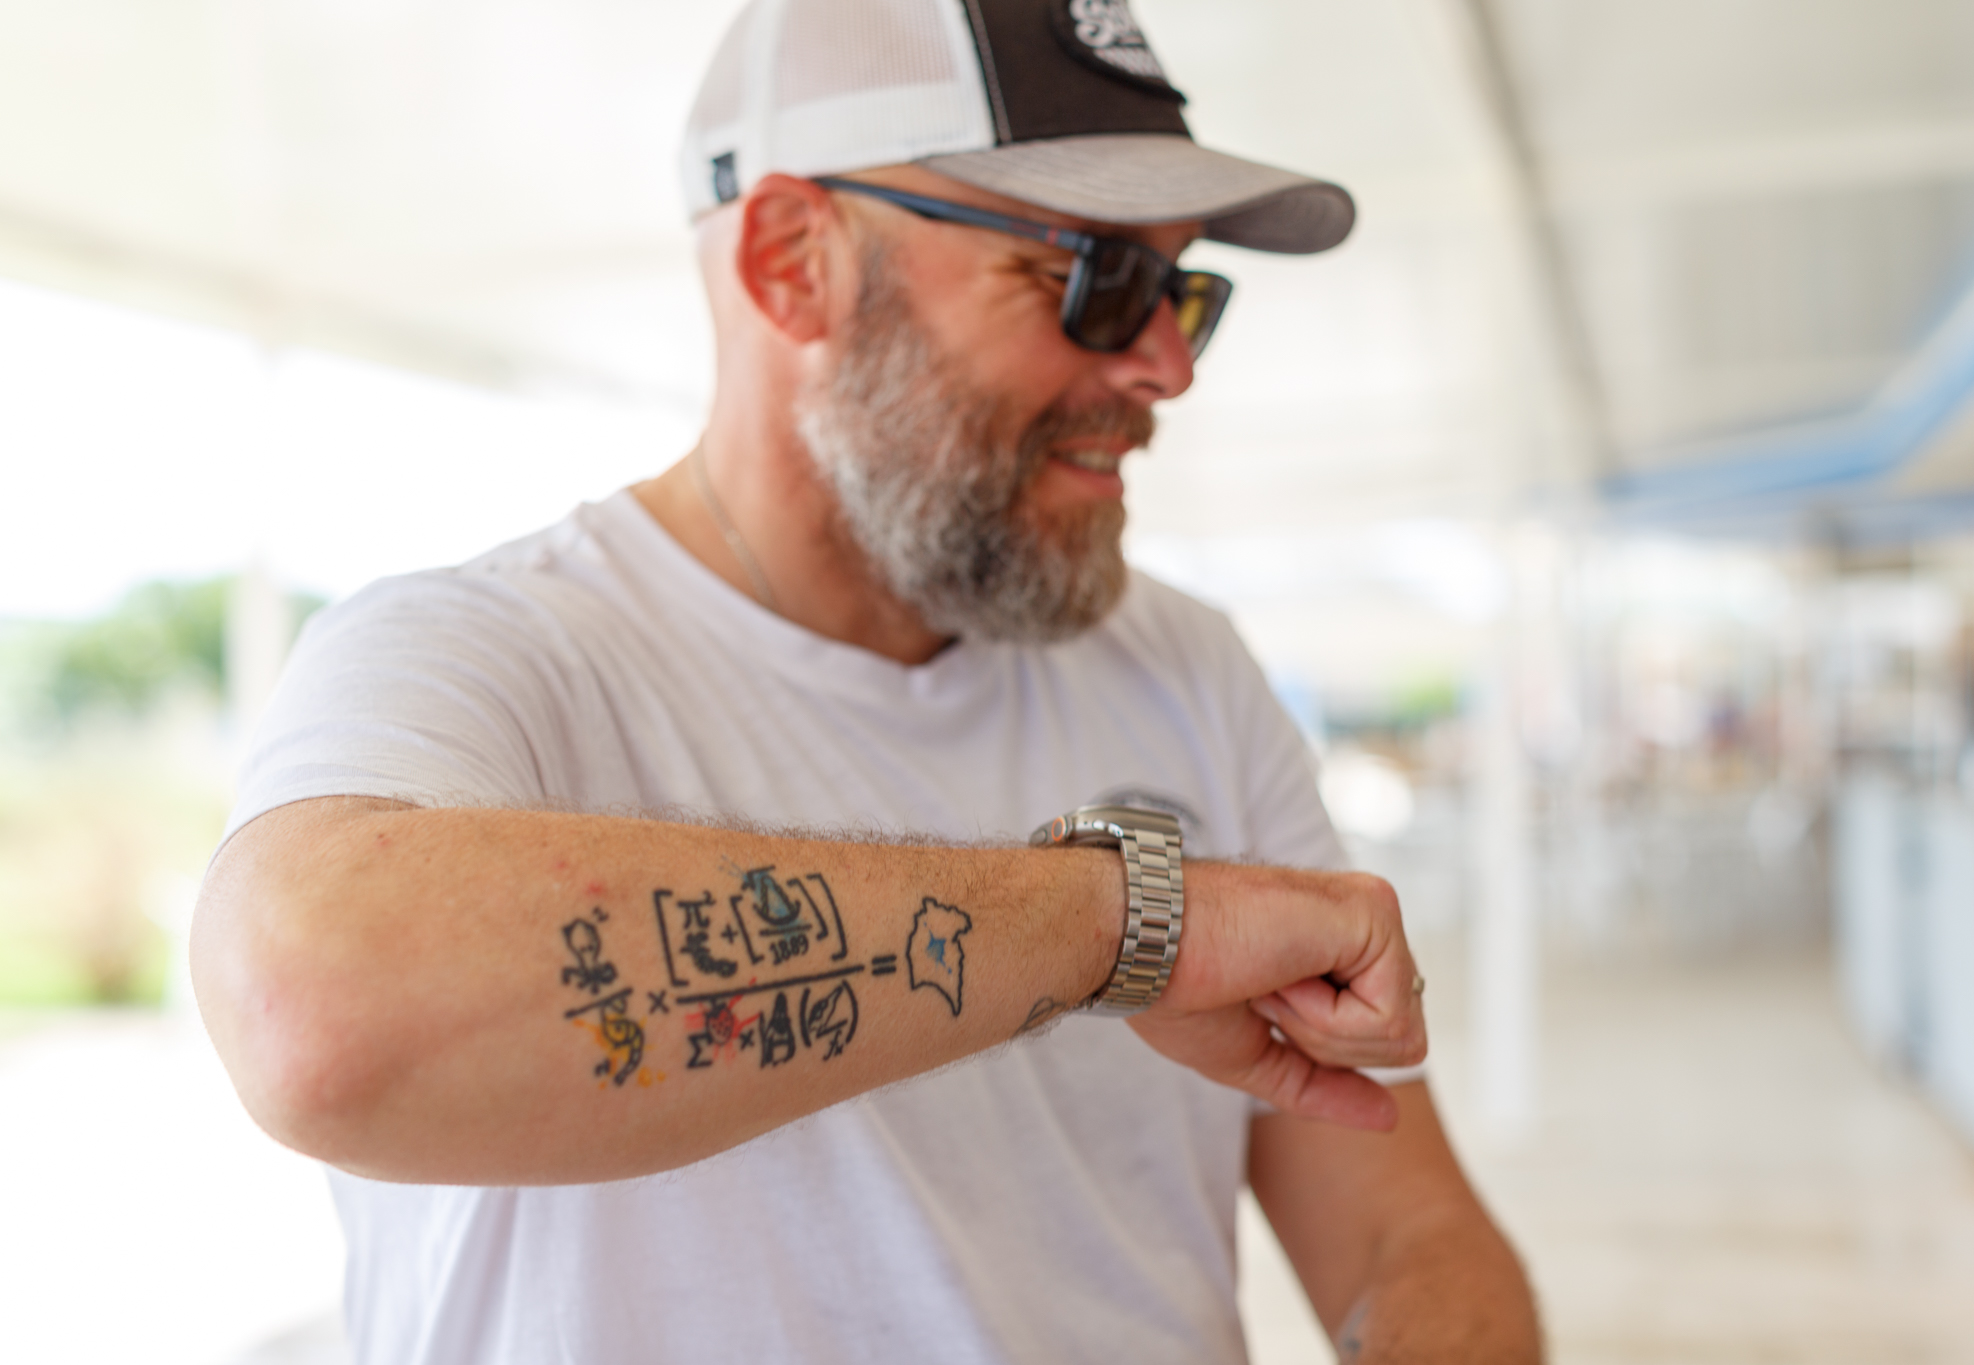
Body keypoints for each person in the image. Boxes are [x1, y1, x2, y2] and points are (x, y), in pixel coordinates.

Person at [193, 0, 1541, 1360]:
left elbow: (1410, 1233)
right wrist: (1133, 921)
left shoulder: (1183, 667)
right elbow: (312, 1010)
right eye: (1097, 279)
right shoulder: (484, 653)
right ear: (795, 262)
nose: (1168, 366)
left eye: (1187, 292)